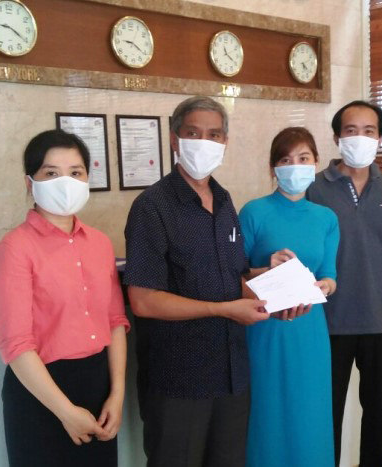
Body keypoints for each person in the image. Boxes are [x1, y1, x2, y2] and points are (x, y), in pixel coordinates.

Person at [123, 96, 268, 467]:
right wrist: (223, 310)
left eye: (214, 134)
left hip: (232, 374)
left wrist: (271, 280)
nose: (204, 142)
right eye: (193, 133)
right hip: (179, 379)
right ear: (174, 139)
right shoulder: (152, 207)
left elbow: (232, 275)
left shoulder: (224, 201)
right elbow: (143, 299)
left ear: (225, 142)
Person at [0, 129, 130, 467]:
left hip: (98, 385)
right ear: (30, 183)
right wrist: (65, 412)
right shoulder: (15, 249)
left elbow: (115, 322)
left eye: (76, 172)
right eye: (51, 173)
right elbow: (16, 345)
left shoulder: (100, 243)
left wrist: (117, 394)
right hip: (41, 394)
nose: (66, 181)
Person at [306, 100, 382, 466]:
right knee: (326, 412)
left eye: (369, 131)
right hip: (328, 322)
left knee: (377, 411)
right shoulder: (314, 187)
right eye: (350, 130)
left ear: (380, 138)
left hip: (380, 321)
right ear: (336, 137)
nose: (359, 138)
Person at [239, 127, 340, 467]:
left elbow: (330, 275)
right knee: (267, 411)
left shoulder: (326, 218)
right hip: (265, 328)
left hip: (309, 328)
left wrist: (324, 286)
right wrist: (263, 269)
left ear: (315, 163)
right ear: (273, 168)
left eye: (303, 158)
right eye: (286, 159)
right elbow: (234, 276)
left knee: (309, 412)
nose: (295, 166)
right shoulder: (253, 212)